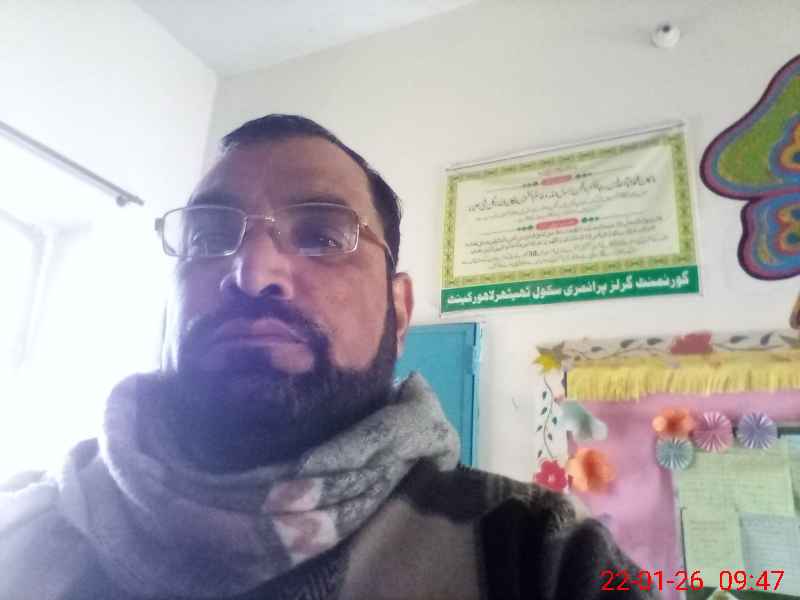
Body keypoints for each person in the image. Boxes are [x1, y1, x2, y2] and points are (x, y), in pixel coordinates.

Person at [0, 114, 654, 599]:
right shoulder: (19, 533)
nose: (253, 273)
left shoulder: (545, 558)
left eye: (321, 235)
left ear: (400, 311)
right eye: (207, 236)